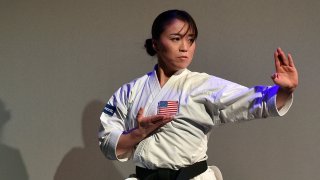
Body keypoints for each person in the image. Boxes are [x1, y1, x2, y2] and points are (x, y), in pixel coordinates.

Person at [98, 9, 298, 180]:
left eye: (191, 40)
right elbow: (108, 141)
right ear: (155, 44)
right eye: (176, 39)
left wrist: (285, 90)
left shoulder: (203, 85)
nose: (185, 47)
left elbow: (254, 101)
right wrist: (139, 133)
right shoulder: (129, 92)